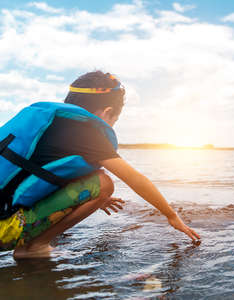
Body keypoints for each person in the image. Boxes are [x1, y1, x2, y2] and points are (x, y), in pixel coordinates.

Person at [0, 71, 200, 259]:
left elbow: (36, 174)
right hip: (3, 231)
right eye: (115, 120)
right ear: (108, 111)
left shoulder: (48, 124)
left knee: (92, 182)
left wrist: (83, 197)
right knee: (103, 183)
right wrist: (171, 215)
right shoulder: (88, 131)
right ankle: (34, 248)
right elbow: (135, 179)